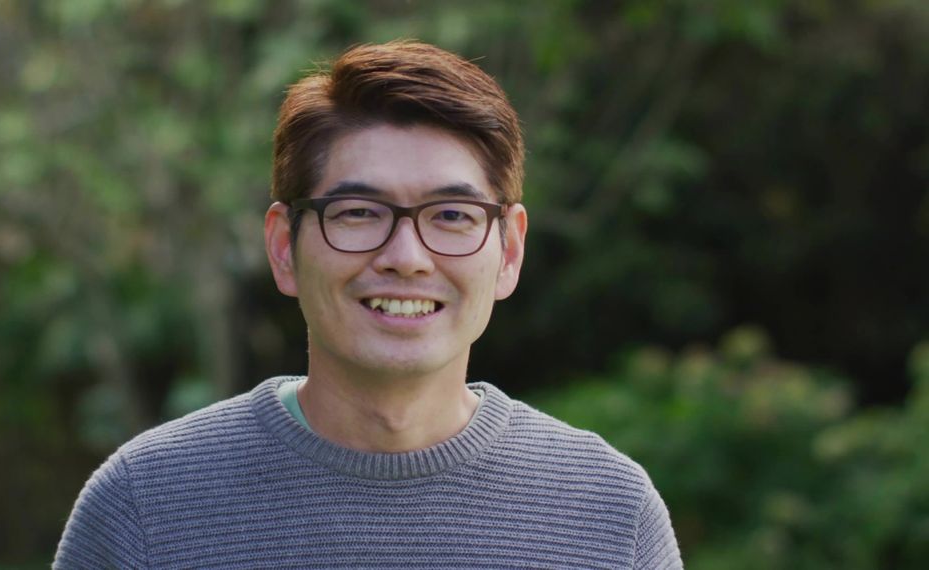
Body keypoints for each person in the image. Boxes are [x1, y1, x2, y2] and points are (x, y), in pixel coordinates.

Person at [55, 40, 682, 569]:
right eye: (358, 212)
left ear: (509, 250)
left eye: (453, 215)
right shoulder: (146, 506)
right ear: (283, 247)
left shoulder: (610, 515)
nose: (406, 256)